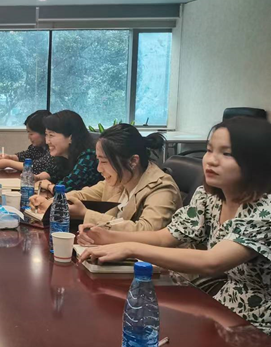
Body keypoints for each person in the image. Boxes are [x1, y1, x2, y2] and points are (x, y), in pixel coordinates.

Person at [79, 117, 271, 335]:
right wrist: (108, 237)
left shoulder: (265, 210)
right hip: (220, 311)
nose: (211, 160)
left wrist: (130, 248)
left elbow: (212, 262)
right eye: (209, 150)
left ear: (256, 161)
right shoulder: (209, 198)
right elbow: (165, 237)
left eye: (226, 154)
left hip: (258, 327)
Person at [65, 124, 181, 231]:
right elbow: (83, 195)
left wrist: (85, 214)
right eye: (98, 160)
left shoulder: (161, 188)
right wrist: (59, 200)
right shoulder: (121, 179)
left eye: (104, 161)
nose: (99, 169)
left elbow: (147, 230)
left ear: (133, 161)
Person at [31, 110, 102, 199]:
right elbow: (52, 172)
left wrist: (48, 186)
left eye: (51, 135)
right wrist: (37, 177)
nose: (47, 141)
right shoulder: (64, 155)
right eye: (46, 135)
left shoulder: (88, 157)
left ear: (71, 138)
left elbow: (64, 189)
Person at [0, 110, 67, 179]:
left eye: (31, 133)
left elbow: (38, 166)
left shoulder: (54, 149)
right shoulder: (38, 147)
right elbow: (27, 155)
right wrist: (11, 157)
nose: (28, 137)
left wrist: (8, 163)